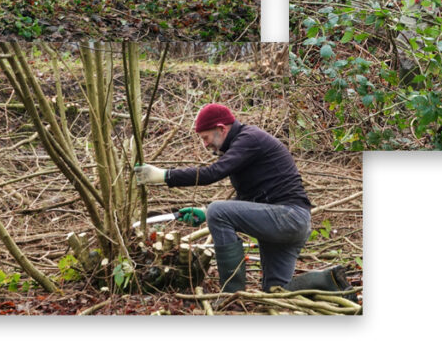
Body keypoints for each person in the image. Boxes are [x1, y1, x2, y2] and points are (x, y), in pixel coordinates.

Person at [134, 103, 351, 295]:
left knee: (219, 210)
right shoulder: (243, 146)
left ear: (221, 129)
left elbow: (212, 174)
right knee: (276, 293)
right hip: (289, 222)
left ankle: (232, 295)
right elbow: (246, 201)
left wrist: (164, 176)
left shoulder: (249, 138)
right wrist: (204, 212)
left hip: (288, 217)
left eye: (206, 138)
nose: (205, 144)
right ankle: (330, 282)